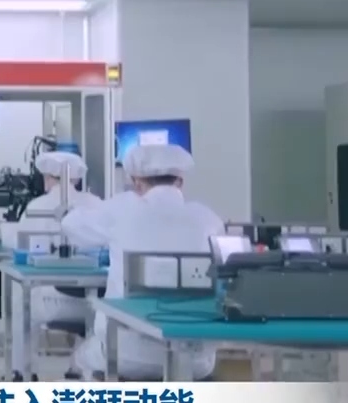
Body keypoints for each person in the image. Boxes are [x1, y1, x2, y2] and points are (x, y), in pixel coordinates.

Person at [74, 143, 222, 382]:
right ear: (180, 181)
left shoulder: (122, 208)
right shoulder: (207, 218)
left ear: (136, 183)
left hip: (125, 353)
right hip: (195, 360)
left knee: (82, 357)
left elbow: (72, 226)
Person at [21, 151, 103, 324]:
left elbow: (20, 246)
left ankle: (27, 341)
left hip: (53, 302)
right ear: (77, 179)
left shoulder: (36, 206)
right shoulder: (96, 203)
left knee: (21, 293)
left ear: (47, 179)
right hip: (97, 302)